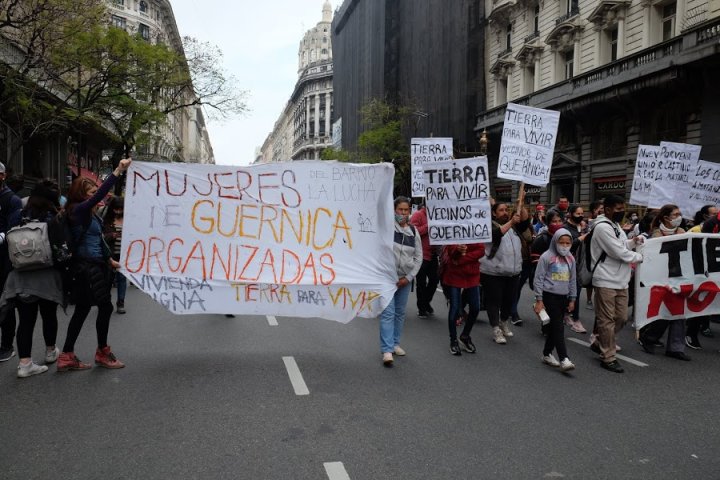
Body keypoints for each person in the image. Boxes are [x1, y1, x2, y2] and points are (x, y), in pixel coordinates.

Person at [57, 157, 132, 371]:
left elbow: (97, 240)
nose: (96, 197)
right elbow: (101, 195)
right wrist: (118, 170)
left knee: (83, 310)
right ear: (82, 195)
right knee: (105, 307)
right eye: (91, 193)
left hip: (95, 266)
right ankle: (102, 352)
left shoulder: (91, 215)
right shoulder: (78, 210)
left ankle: (67, 355)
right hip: (87, 268)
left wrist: (110, 261)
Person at [0, 180, 64, 377]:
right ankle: (51, 351)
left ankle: (25, 363)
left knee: (26, 321)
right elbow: (60, 248)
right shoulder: (53, 218)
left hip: (21, 276)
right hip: (46, 275)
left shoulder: (18, 216)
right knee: (49, 315)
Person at [588, 195, 644, 373]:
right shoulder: (602, 227)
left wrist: (633, 242)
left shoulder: (616, 226)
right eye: (618, 209)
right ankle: (608, 356)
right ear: (608, 209)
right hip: (605, 279)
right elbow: (617, 252)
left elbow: (622, 245)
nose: (622, 212)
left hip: (621, 279)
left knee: (621, 318)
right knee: (606, 320)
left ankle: (599, 342)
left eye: (623, 209)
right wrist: (640, 257)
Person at [637, 204, 690, 360]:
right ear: (666, 217)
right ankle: (650, 337)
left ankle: (676, 347)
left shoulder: (682, 232)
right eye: (676, 214)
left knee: (680, 311)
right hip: (661, 278)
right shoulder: (655, 235)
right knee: (664, 310)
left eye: (680, 213)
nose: (679, 217)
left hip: (679, 276)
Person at [379, 196, 422, 367]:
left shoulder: (413, 231)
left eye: (406, 210)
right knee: (388, 313)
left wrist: (409, 278)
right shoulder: (387, 228)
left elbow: (418, 257)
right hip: (387, 279)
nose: (403, 213)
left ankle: (395, 343)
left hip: (405, 280)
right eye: (400, 210)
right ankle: (387, 349)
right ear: (394, 210)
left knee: (399, 313)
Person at [480, 202, 525, 344]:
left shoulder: (514, 228)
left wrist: (521, 203)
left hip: (513, 272)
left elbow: (525, 220)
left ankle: (503, 322)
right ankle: (496, 329)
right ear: (494, 213)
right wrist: (511, 221)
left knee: (509, 300)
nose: (505, 212)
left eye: (507, 210)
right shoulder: (487, 226)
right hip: (493, 272)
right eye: (501, 210)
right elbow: (496, 235)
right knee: (494, 301)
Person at [533, 228, 577, 372]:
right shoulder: (547, 257)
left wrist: (572, 298)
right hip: (549, 296)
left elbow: (572, 280)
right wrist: (539, 299)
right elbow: (538, 278)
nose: (564, 246)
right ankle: (564, 358)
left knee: (554, 327)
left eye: (567, 243)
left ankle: (546, 354)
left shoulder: (571, 259)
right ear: (555, 242)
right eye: (561, 242)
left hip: (563, 297)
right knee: (558, 327)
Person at [440, 243, 485, 355]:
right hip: (454, 274)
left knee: (475, 308)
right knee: (455, 308)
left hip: (471, 274)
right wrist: (457, 250)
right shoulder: (454, 229)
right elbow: (451, 252)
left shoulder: (475, 230)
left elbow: (481, 250)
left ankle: (465, 336)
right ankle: (453, 340)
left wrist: (462, 259)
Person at [686, 205, 719, 342]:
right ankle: (691, 333)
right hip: (710, 269)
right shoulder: (710, 224)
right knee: (704, 300)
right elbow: (707, 247)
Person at [0, 162, 23, 362]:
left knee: (5, 303)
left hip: (4, 260)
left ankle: (7, 345)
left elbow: (13, 230)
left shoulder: (12, 200)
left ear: (3, 176)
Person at [410, 202, 438, 318]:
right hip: (421, 255)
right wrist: (429, 226)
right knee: (421, 283)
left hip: (433, 255)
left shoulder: (438, 215)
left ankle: (426, 302)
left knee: (435, 280)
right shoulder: (418, 215)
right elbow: (413, 232)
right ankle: (421, 308)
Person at [562, 204, 586, 333]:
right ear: (570, 214)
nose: (581, 216)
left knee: (576, 290)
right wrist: (580, 238)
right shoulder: (565, 228)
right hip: (566, 265)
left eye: (582, 213)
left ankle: (568, 314)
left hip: (578, 265)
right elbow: (566, 246)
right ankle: (575, 319)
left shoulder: (581, 226)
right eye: (578, 214)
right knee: (572, 291)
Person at [103, 196, 127, 314]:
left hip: (123, 255)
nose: (118, 211)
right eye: (116, 209)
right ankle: (106, 302)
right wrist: (112, 235)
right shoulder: (107, 220)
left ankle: (120, 302)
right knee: (108, 279)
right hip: (110, 254)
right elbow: (101, 237)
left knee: (122, 279)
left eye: (120, 209)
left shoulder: (128, 219)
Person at [510, 214, 534, 326]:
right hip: (514, 262)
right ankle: (513, 312)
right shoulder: (512, 228)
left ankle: (511, 309)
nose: (524, 217)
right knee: (514, 288)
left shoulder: (529, 227)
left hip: (526, 261)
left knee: (517, 288)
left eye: (526, 215)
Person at [584, 200, 604, 310]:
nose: (601, 210)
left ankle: (598, 299)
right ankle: (588, 299)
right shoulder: (590, 221)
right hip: (590, 251)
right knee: (590, 277)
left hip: (600, 253)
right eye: (599, 208)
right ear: (594, 210)